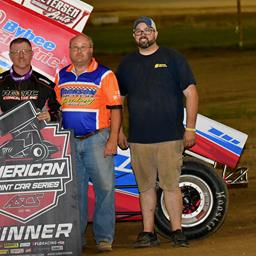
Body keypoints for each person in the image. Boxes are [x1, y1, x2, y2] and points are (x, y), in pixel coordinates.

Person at [117, 16, 198, 248]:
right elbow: (118, 101)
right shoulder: (126, 64)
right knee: (145, 187)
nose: (143, 34)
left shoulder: (172, 58)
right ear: (134, 36)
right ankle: (148, 232)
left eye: (148, 30)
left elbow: (191, 94)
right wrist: (119, 130)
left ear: (156, 34)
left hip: (170, 137)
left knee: (171, 186)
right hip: (139, 139)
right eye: (138, 31)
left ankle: (177, 230)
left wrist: (190, 128)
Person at [54, 34, 122, 252]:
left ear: (91, 49)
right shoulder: (62, 75)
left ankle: (104, 238)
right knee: (76, 192)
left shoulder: (104, 75)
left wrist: (112, 139)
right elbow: (56, 106)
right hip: (70, 141)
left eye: (84, 47)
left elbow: (116, 109)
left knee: (105, 188)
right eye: (75, 47)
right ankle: (78, 237)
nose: (79, 51)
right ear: (70, 50)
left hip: (97, 139)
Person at [0, 37, 60, 121]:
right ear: (10, 56)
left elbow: (58, 112)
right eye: (16, 52)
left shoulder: (46, 85)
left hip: (36, 132)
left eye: (25, 51)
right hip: (5, 133)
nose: (21, 56)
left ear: (31, 54)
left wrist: (51, 115)